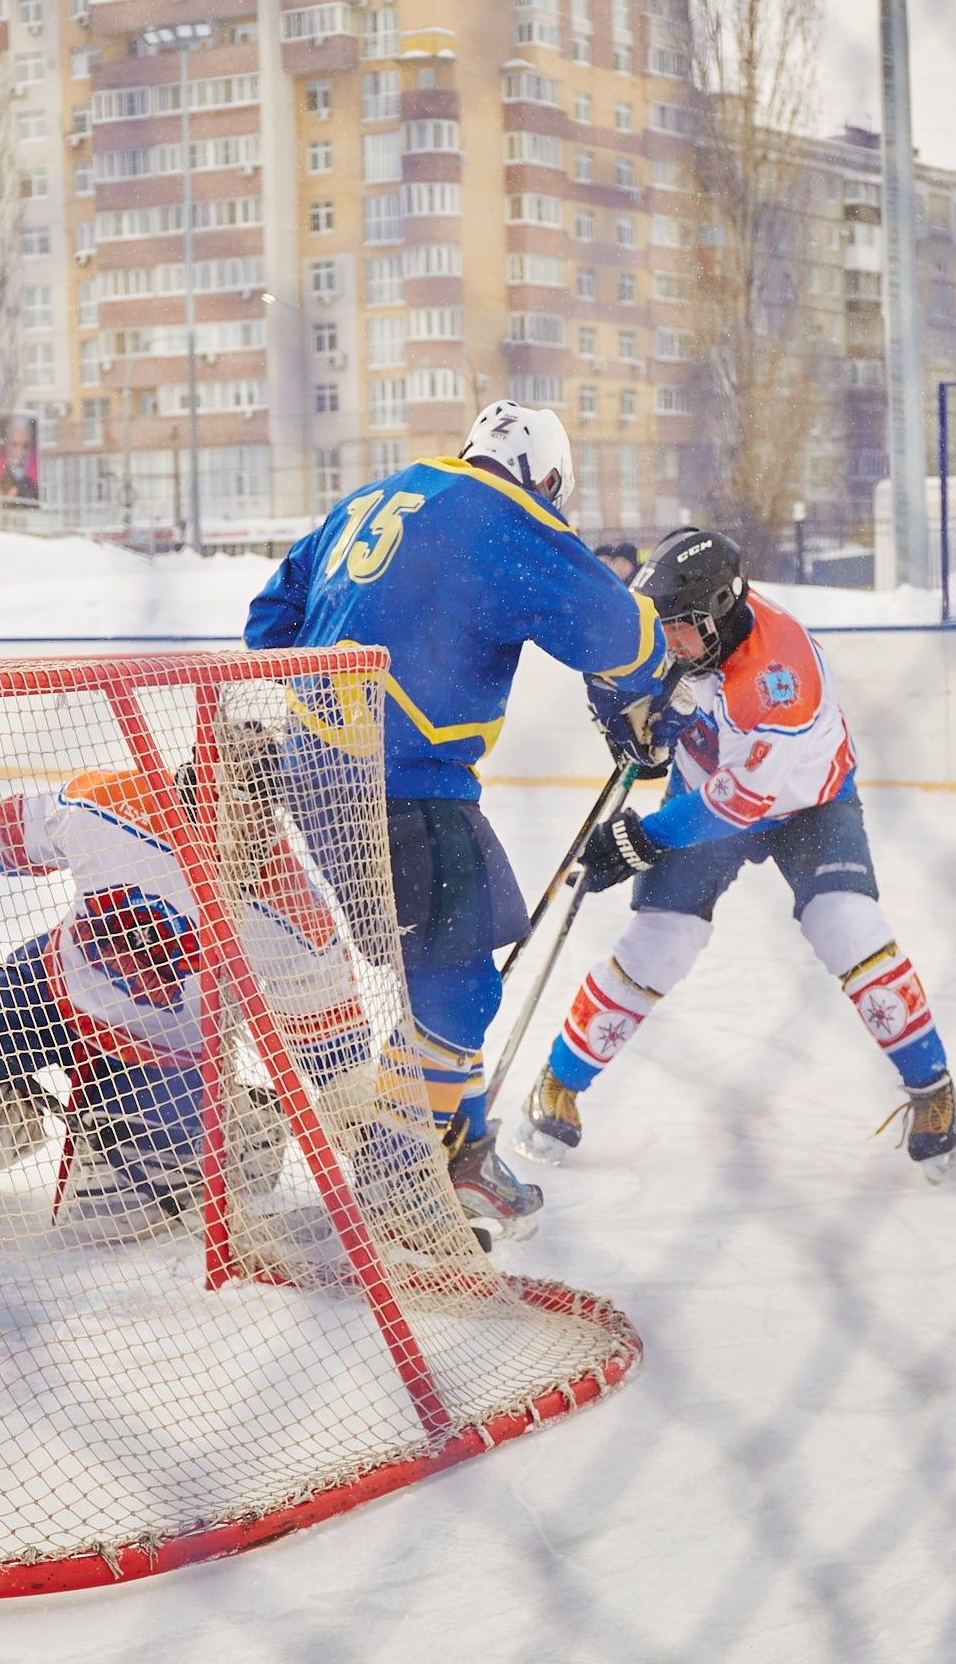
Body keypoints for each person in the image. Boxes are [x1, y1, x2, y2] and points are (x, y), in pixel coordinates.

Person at [246, 401, 672, 1241]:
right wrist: (652, 678)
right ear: (545, 477)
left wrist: (337, 694)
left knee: (443, 964)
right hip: (409, 780)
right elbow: (619, 634)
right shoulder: (506, 512)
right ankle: (400, 1178)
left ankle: (464, 1151)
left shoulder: (375, 495)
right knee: (460, 985)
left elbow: (269, 622)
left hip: (317, 774)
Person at [521, 528, 956, 1180]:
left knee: (845, 924)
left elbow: (739, 803)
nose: (669, 641)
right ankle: (559, 1079)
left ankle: (932, 1087)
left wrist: (642, 837)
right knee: (660, 942)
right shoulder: (690, 632)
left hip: (806, 803)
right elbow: (649, 696)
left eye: (680, 629)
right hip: (704, 786)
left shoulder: (776, 676)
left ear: (720, 613)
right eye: (663, 627)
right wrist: (637, 730)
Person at [0, 726, 367, 1240]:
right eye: (239, 800)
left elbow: (334, 1040)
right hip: (49, 995)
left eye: (264, 808)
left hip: (163, 1065)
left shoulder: (288, 906)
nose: (255, 824)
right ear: (196, 782)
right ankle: (4, 1116)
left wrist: (363, 1123)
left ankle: (247, 1125)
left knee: (102, 1227)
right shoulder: (111, 803)